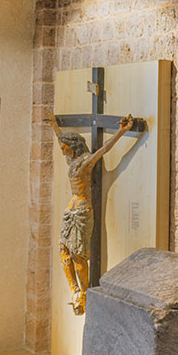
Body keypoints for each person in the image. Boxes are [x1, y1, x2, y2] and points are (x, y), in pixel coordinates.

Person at [47, 115, 134, 315]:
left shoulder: (86, 161)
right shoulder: (71, 160)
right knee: (63, 251)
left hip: (82, 211)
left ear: (73, 146)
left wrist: (121, 131)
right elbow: (61, 141)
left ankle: (84, 292)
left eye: (65, 148)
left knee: (78, 256)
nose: (63, 151)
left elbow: (104, 149)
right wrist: (54, 125)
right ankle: (74, 289)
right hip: (70, 210)